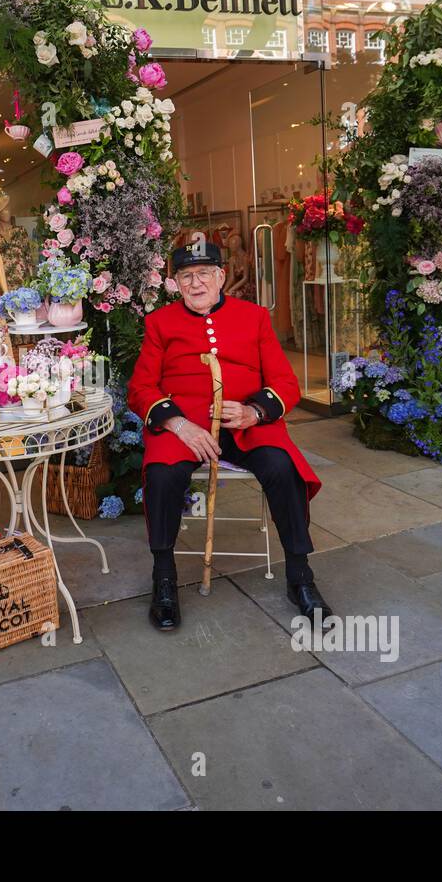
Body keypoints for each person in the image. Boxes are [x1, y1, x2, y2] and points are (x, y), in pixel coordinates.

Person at [126, 236, 332, 632]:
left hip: (245, 426)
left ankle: (300, 577)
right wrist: (177, 423)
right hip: (185, 427)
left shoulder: (254, 317)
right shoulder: (159, 323)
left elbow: (286, 384)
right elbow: (141, 389)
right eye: (186, 276)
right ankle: (164, 578)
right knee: (163, 475)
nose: (196, 283)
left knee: (282, 467)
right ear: (176, 283)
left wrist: (256, 412)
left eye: (204, 273)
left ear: (221, 276)